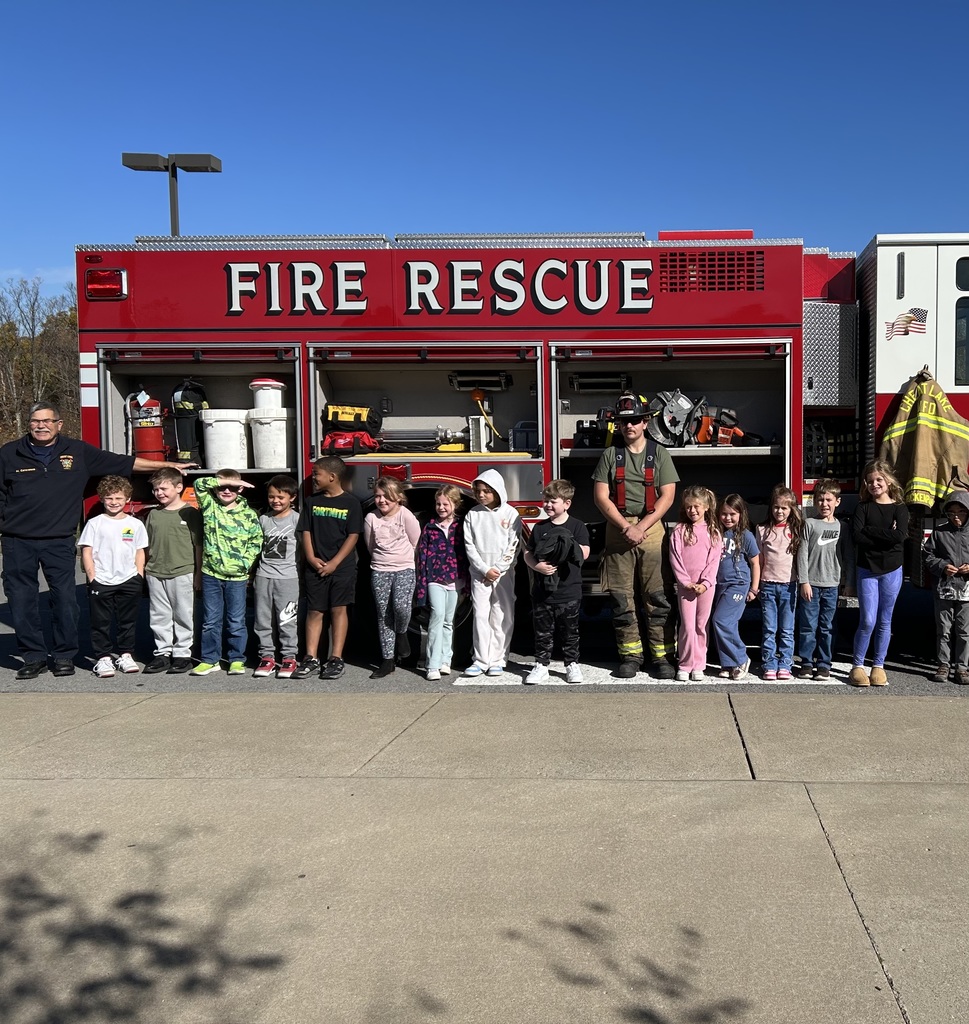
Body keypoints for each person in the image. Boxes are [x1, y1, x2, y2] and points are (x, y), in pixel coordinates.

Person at [0, 401, 190, 679]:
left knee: (65, 600)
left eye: (47, 421)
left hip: (59, 539)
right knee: (21, 600)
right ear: (29, 424)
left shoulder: (77, 452)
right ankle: (34, 656)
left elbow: (125, 463)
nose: (41, 426)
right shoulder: (9, 453)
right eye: (35, 421)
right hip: (18, 541)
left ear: (59, 424)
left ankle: (64, 655)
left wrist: (168, 465)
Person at [593, 391, 679, 679]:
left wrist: (641, 526)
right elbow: (601, 497)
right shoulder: (609, 455)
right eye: (623, 422)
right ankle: (631, 656)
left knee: (657, 596)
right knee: (621, 599)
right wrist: (625, 526)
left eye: (634, 421)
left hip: (651, 529)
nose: (629, 426)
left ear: (645, 423)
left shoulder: (660, 454)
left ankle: (663, 657)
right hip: (618, 531)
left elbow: (667, 497)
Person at [295, 456, 363, 680]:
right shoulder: (312, 502)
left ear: (332, 477)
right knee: (315, 611)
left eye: (317, 474)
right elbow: (306, 531)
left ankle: (335, 657)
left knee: (338, 609)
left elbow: (353, 536)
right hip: (316, 566)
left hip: (341, 568)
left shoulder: (351, 503)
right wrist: (311, 558)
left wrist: (335, 563)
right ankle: (311, 657)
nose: (313, 477)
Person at [191, 470, 262, 676]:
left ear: (241, 489)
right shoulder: (209, 506)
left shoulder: (248, 514)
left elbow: (256, 541)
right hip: (211, 574)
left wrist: (244, 563)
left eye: (233, 487)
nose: (227, 490)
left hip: (237, 577)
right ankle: (209, 659)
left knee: (235, 620)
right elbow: (199, 484)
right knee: (210, 620)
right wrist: (227, 480)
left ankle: (236, 659)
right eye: (222, 487)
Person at [76, 475, 148, 678]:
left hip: (129, 579)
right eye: (109, 498)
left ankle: (125, 655)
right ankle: (104, 657)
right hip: (102, 580)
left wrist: (138, 575)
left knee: (128, 621)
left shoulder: (135, 524)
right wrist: (92, 578)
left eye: (118, 498)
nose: (114, 502)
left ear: (127, 498)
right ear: (102, 499)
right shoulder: (95, 523)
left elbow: (140, 550)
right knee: (100, 621)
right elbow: (87, 551)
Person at [849, 459, 910, 687]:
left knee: (885, 620)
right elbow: (857, 537)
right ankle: (857, 666)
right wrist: (885, 534)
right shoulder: (862, 507)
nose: (875, 484)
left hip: (892, 570)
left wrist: (871, 531)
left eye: (879, 480)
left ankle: (878, 665)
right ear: (866, 483)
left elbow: (900, 536)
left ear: (888, 481)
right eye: (871, 481)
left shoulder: (899, 508)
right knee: (867, 620)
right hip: (867, 569)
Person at [523, 479, 590, 684]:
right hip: (543, 592)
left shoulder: (577, 526)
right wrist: (537, 566)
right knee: (543, 631)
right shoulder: (539, 528)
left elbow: (585, 552)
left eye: (553, 501)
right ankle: (541, 665)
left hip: (569, 590)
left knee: (570, 631)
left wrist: (569, 549)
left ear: (567, 504)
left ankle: (572, 664)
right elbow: (528, 552)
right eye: (545, 501)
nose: (547, 505)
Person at [143, 468, 203, 675]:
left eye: (164, 488)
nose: (159, 493)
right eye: (156, 489)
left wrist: (198, 574)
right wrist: (144, 569)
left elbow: (198, 546)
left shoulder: (190, 513)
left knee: (183, 613)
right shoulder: (153, 514)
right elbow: (146, 545)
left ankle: (182, 654)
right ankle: (162, 653)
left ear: (179, 488)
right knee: (159, 614)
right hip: (155, 571)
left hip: (182, 570)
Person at [463, 469, 521, 677]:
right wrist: (484, 569)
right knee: (480, 615)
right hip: (480, 572)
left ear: (497, 491)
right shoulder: (473, 514)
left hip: (503, 573)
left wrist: (498, 568)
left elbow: (513, 545)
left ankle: (498, 658)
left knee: (501, 614)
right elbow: (469, 545)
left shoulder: (511, 514)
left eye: (486, 491)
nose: (481, 495)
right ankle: (480, 659)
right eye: (478, 491)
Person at [364, 476, 421, 679]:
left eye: (386, 496)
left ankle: (402, 632)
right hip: (380, 570)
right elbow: (370, 545)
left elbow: (415, 541)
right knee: (383, 614)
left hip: (404, 568)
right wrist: (383, 563)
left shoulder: (405, 515)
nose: (381, 501)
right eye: (377, 496)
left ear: (398, 497)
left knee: (401, 607)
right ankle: (388, 659)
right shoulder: (371, 518)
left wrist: (402, 559)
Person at [415, 484, 468, 681]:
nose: (441, 507)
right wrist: (422, 582)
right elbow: (422, 556)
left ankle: (446, 660)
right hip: (434, 578)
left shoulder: (461, 526)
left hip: (455, 578)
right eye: (438, 504)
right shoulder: (430, 528)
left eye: (445, 504)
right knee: (436, 616)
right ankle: (432, 664)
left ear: (455, 504)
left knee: (448, 620)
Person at [795, 479, 847, 680]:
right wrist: (804, 581)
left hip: (832, 585)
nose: (824, 504)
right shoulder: (809, 524)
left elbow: (847, 555)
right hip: (812, 585)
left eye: (828, 500)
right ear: (814, 502)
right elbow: (802, 553)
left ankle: (824, 664)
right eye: (820, 500)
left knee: (828, 627)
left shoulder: (843, 527)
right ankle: (807, 663)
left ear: (837, 502)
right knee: (808, 626)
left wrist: (846, 582)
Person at [669, 485, 720, 682]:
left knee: (701, 625)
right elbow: (676, 558)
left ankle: (699, 664)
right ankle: (684, 663)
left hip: (706, 587)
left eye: (697, 506)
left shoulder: (713, 531)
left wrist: (705, 583)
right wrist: (685, 582)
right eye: (689, 507)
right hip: (686, 587)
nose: (693, 511)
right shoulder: (680, 530)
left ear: (706, 506)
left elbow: (714, 560)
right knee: (687, 626)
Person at [253, 474, 301, 680]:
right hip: (264, 576)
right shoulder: (263, 520)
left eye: (281, 497)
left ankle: (289, 656)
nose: (276, 501)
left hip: (289, 578)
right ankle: (267, 656)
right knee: (262, 619)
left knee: (287, 619)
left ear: (293, 497)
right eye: (272, 497)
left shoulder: (297, 520)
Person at [711, 493, 760, 680]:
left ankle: (741, 658)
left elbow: (755, 563)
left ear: (741, 514)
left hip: (738, 584)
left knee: (720, 620)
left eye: (733, 514)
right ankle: (728, 664)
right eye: (724, 514)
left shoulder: (746, 535)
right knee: (726, 623)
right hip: (719, 584)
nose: (728, 518)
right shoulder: (716, 533)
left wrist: (754, 589)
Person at [756, 484, 803, 681]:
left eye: (784, 508)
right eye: (776, 507)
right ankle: (769, 662)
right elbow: (758, 559)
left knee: (787, 628)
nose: (780, 511)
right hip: (767, 584)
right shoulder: (763, 529)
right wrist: (756, 584)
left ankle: (785, 663)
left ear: (791, 509)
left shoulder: (796, 530)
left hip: (788, 585)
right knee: (769, 628)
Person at [923, 491, 969, 685]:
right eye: (952, 513)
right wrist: (942, 566)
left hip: (966, 587)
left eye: (961, 512)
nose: (956, 516)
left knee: (964, 629)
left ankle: (962, 667)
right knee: (944, 628)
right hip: (944, 586)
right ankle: (943, 664)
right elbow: (927, 556)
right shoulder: (940, 532)